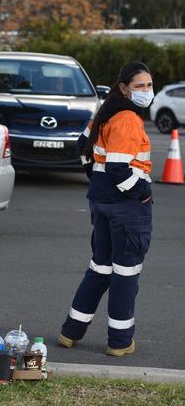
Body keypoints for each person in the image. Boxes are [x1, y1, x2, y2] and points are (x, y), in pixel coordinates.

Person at [59, 61, 154, 357]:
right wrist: (142, 194)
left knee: (100, 268)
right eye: (140, 86)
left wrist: (96, 180)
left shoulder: (105, 112)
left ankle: (70, 333)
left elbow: (83, 148)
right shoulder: (127, 118)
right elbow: (117, 167)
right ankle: (120, 341)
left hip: (100, 202)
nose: (147, 91)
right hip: (125, 206)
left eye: (150, 85)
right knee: (126, 274)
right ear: (125, 88)